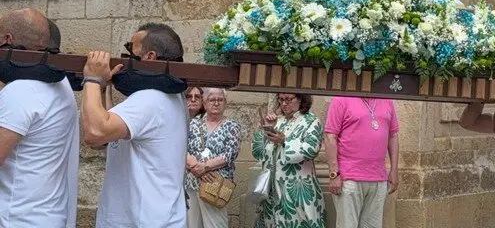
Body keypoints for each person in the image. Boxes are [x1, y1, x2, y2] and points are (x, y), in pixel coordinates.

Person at [82, 23, 189, 227]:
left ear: (149, 57)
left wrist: (92, 79)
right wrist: (103, 89)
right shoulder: (170, 96)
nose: (126, 57)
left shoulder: (150, 99)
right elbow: (102, 140)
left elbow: (94, 132)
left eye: (131, 50)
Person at [0, 9, 79, 228]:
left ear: (7, 40)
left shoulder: (21, 91)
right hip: (48, 214)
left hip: (18, 219)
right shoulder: (60, 83)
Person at [324, 96, 399, 228]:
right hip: (349, 178)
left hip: (378, 177)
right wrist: (334, 174)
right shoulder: (341, 99)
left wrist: (394, 170)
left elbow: (393, 136)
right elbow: (330, 137)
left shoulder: (387, 99)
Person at [253, 93, 326, 228]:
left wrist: (285, 141)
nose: (284, 103)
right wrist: (264, 129)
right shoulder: (278, 120)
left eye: (288, 99)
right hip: (272, 190)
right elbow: (257, 152)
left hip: (297, 190)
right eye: (281, 99)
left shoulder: (311, 121)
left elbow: (311, 149)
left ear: (300, 99)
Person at [185, 89, 241, 228]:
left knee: (216, 224)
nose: (216, 103)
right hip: (192, 181)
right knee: (192, 224)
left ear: (225, 103)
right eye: (212, 99)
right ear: (204, 102)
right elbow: (181, 148)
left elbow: (229, 154)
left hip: (216, 184)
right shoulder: (193, 124)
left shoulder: (232, 126)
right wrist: (194, 168)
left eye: (220, 100)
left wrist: (204, 168)